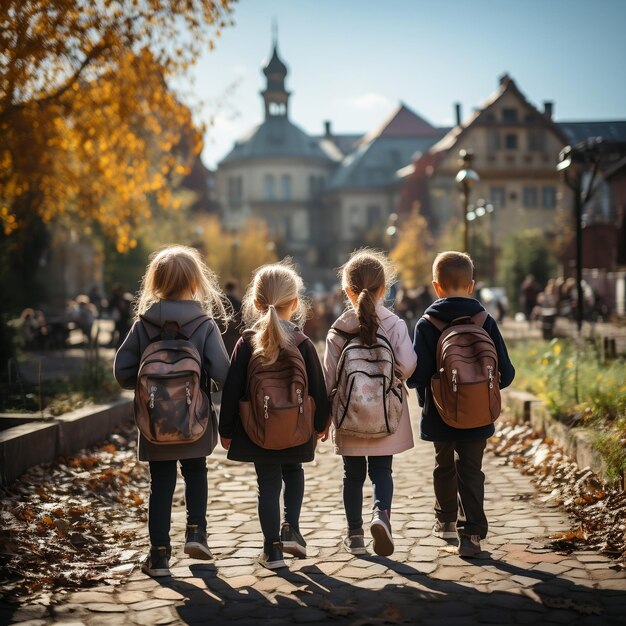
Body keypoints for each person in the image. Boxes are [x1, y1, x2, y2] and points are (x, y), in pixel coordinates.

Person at [114, 245, 231, 577]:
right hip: (194, 420)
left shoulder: (143, 324)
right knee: (196, 473)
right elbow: (223, 374)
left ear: (156, 282)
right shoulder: (204, 324)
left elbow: (122, 372)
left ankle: (160, 555)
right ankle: (196, 532)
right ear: (195, 283)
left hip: (155, 424)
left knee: (160, 483)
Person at [218, 260, 330, 570]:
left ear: (255, 302)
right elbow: (317, 388)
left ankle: (273, 550)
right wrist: (321, 423)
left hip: (258, 428)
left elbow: (232, 389)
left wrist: (226, 429)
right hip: (296, 426)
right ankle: (291, 528)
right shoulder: (303, 343)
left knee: (267, 482)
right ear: (295, 304)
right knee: (293, 472)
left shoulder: (246, 342)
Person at [408, 251, 515, 557]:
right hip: (478, 413)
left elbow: (418, 375)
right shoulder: (485, 321)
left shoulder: (427, 324)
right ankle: (471, 536)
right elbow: (505, 374)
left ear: (436, 286)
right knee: (471, 470)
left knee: (444, 467)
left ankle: (444, 520)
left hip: (439, 412)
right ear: (471, 286)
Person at [323, 249, 417, 557]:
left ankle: (355, 535)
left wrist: (323, 420)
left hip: (350, 416)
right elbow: (405, 366)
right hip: (385, 416)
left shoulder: (338, 329)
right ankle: (381, 515)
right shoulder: (395, 324)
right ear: (383, 288)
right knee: (382, 471)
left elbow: (328, 379)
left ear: (347, 291)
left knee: (352, 475)